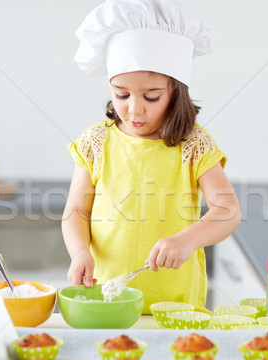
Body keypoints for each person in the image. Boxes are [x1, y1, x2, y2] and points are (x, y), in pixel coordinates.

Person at [62, 0, 241, 313]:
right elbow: (76, 211)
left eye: (151, 96)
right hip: (109, 300)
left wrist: (186, 241)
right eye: (121, 94)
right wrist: (79, 252)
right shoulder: (96, 142)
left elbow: (228, 210)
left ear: (175, 92)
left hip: (175, 305)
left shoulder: (193, 144)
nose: (134, 108)